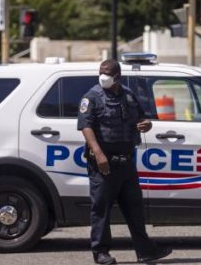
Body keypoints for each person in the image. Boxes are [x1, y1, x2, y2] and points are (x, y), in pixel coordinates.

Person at [77, 59, 172, 265]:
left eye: (107, 73)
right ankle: (101, 253)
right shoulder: (92, 97)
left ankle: (145, 251)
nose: (103, 76)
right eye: (101, 71)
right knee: (101, 209)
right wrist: (98, 153)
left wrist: (146, 124)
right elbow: (86, 126)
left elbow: (141, 118)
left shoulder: (128, 95)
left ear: (117, 76)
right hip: (104, 164)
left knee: (134, 208)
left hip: (127, 163)